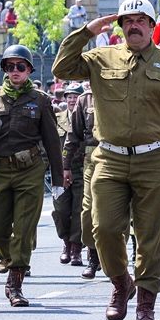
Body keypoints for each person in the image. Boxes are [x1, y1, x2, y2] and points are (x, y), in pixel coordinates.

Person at [53, 0, 160, 320]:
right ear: (120, 27)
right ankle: (122, 284)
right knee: (102, 228)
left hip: (155, 159)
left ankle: (146, 305)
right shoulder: (99, 58)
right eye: (127, 21)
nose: (133, 26)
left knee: (149, 236)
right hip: (109, 158)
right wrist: (89, 30)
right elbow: (61, 68)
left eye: (140, 21)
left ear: (152, 26)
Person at [0, 45, 62, 307]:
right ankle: (9, 260)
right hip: (0, 170)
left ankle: (15, 282)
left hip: (30, 170)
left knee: (23, 228)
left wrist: (58, 181)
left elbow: (53, 141)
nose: (15, 71)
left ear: (29, 70)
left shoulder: (40, 99)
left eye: (21, 67)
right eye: (10, 67)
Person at [64, 83, 101, 279]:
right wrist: (66, 165)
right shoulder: (84, 99)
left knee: (115, 211)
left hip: (119, 155)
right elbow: (73, 135)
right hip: (91, 157)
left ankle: (108, 256)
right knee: (87, 211)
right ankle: (92, 253)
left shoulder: (123, 90)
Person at [53, 83, 85, 266]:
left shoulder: (86, 117)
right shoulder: (57, 118)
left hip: (81, 169)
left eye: (76, 96)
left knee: (79, 210)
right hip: (60, 172)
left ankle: (75, 248)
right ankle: (65, 241)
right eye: (69, 96)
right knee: (61, 210)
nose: (72, 100)